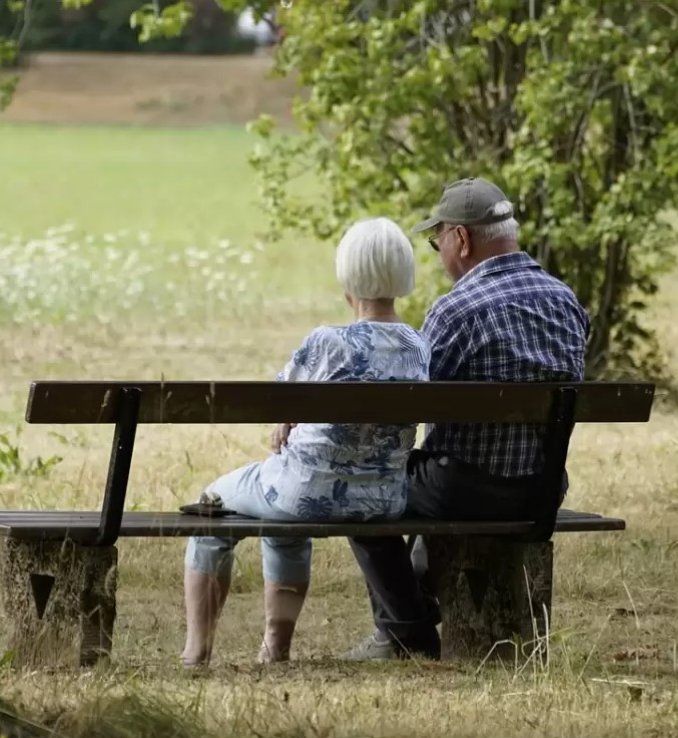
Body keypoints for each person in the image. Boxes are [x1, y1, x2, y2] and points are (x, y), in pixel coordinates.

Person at [340, 178, 591, 661]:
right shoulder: (566, 302)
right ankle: (410, 617)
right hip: (542, 489)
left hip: (464, 489)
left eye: (437, 244)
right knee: (431, 475)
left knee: (361, 486)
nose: (439, 255)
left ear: (461, 238)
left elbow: (410, 405)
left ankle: (405, 633)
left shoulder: (455, 311)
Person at [181, 217, 431, 667]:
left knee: (211, 506)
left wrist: (286, 420)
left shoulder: (327, 342)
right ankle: (274, 648)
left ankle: (196, 651)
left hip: (303, 493)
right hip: (382, 500)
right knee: (280, 517)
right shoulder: (419, 346)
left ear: (347, 277)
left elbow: (277, 403)